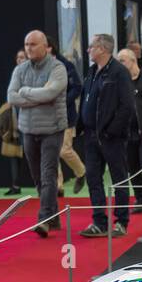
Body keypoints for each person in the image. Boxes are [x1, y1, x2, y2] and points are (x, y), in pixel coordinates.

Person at [8, 31, 68, 238]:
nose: (29, 48)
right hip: (28, 130)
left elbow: (51, 93)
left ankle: (43, 219)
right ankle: (54, 216)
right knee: (37, 178)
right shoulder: (20, 69)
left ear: (46, 46)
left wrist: (25, 91)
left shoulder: (58, 68)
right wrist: (37, 96)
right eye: (26, 44)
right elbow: (12, 96)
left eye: (33, 44)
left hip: (52, 130)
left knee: (48, 175)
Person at [76, 33, 135, 237]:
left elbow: (127, 106)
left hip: (111, 137)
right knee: (93, 179)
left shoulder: (119, 72)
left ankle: (121, 222)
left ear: (102, 48)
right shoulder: (92, 71)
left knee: (119, 179)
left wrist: (111, 131)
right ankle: (99, 222)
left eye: (91, 46)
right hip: (91, 136)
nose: (88, 50)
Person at [117, 48, 142, 213]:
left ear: (133, 61)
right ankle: (141, 199)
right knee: (132, 168)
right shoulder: (120, 83)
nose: (119, 64)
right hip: (127, 133)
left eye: (122, 61)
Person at [47, 35, 87, 195]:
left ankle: (81, 172)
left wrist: (63, 101)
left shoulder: (66, 64)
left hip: (66, 115)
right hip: (47, 116)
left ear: (50, 48)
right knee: (51, 151)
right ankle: (58, 187)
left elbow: (77, 87)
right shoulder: (39, 66)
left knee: (64, 150)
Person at [3, 49, 27, 195]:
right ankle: (15, 185)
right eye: (18, 57)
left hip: (30, 121)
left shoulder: (32, 74)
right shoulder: (15, 75)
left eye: (23, 57)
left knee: (34, 155)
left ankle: (44, 185)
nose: (20, 60)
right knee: (13, 154)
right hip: (14, 121)